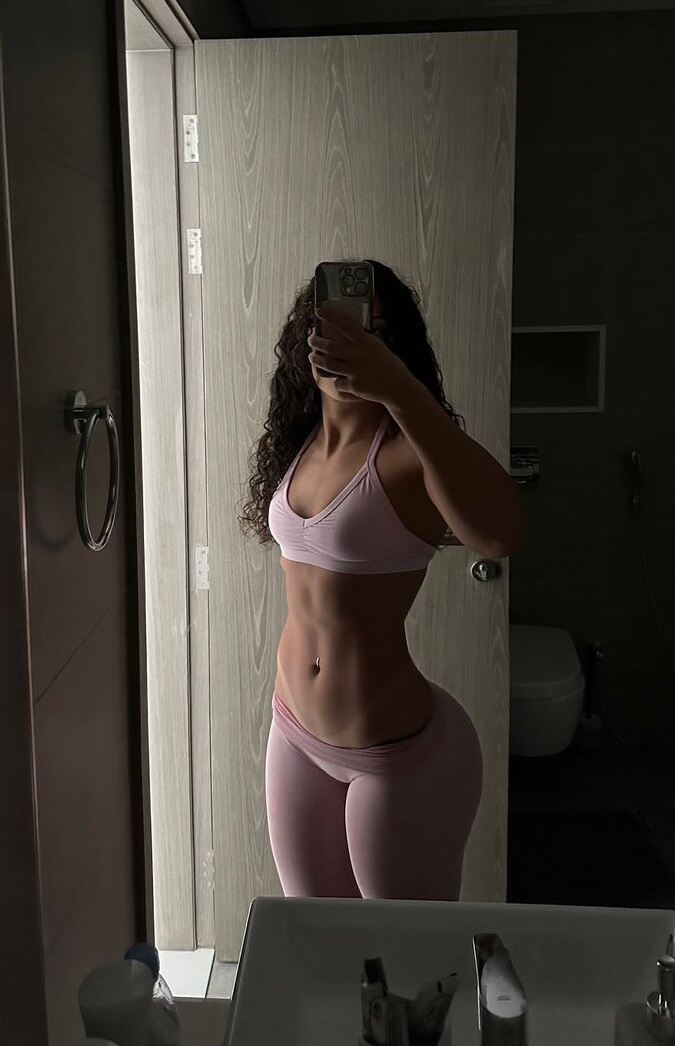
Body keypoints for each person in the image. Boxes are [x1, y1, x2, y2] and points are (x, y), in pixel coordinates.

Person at [237, 259, 526, 900]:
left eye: (373, 332)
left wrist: (398, 389)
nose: (350, 343)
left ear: (394, 350)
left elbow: (501, 534)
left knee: (406, 952)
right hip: (294, 731)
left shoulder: (407, 452)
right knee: (315, 935)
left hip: (393, 757)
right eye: (332, 325)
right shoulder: (300, 443)